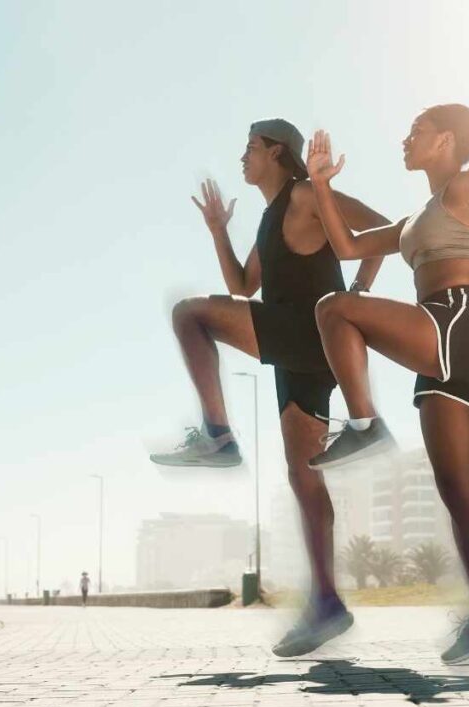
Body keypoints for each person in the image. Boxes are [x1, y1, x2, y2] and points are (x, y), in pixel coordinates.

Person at [302, 104, 469, 663]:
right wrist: (321, 185)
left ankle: (363, 425)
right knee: (456, 488)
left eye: (416, 130)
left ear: (447, 139)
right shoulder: (414, 220)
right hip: (444, 341)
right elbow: (349, 245)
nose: (406, 138)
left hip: (456, 320)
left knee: (334, 309)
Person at [149, 119, 389, 656]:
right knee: (304, 478)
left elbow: (381, 232)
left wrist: (354, 298)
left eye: (250, 148)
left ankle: (217, 436)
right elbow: (243, 285)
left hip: (304, 329)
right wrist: (217, 230)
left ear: (276, 152)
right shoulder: (270, 215)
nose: (242, 157)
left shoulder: (306, 194)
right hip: (299, 352)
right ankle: (327, 604)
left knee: (189, 315)